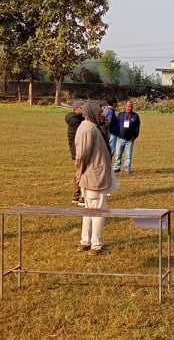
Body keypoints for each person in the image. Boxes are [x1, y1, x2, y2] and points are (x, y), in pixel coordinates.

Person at [75, 102, 117, 255]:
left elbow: (104, 145)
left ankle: (85, 242)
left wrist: (105, 127)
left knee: (89, 210)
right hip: (94, 176)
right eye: (100, 113)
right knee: (97, 210)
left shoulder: (93, 127)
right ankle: (95, 246)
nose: (103, 115)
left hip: (93, 175)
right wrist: (79, 174)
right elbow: (82, 156)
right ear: (92, 112)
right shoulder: (87, 129)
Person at [65, 100, 85, 206]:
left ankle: (76, 195)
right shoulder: (76, 121)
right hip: (78, 149)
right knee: (81, 172)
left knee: (78, 172)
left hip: (76, 149)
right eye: (82, 108)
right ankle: (81, 196)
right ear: (76, 108)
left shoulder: (75, 119)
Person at [113, 100, 140, 174]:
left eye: (131, 106)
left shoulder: (135, 116)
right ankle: (116, 168)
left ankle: (127, 168)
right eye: (128, 106)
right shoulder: (120, 114)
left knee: (128, 155)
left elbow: (137, 127)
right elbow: (116, 125)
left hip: (130, 139)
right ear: (125, 106)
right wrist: (117, 134)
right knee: (118, 154)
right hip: (120, 138)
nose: (129, 108)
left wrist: (135, 136)